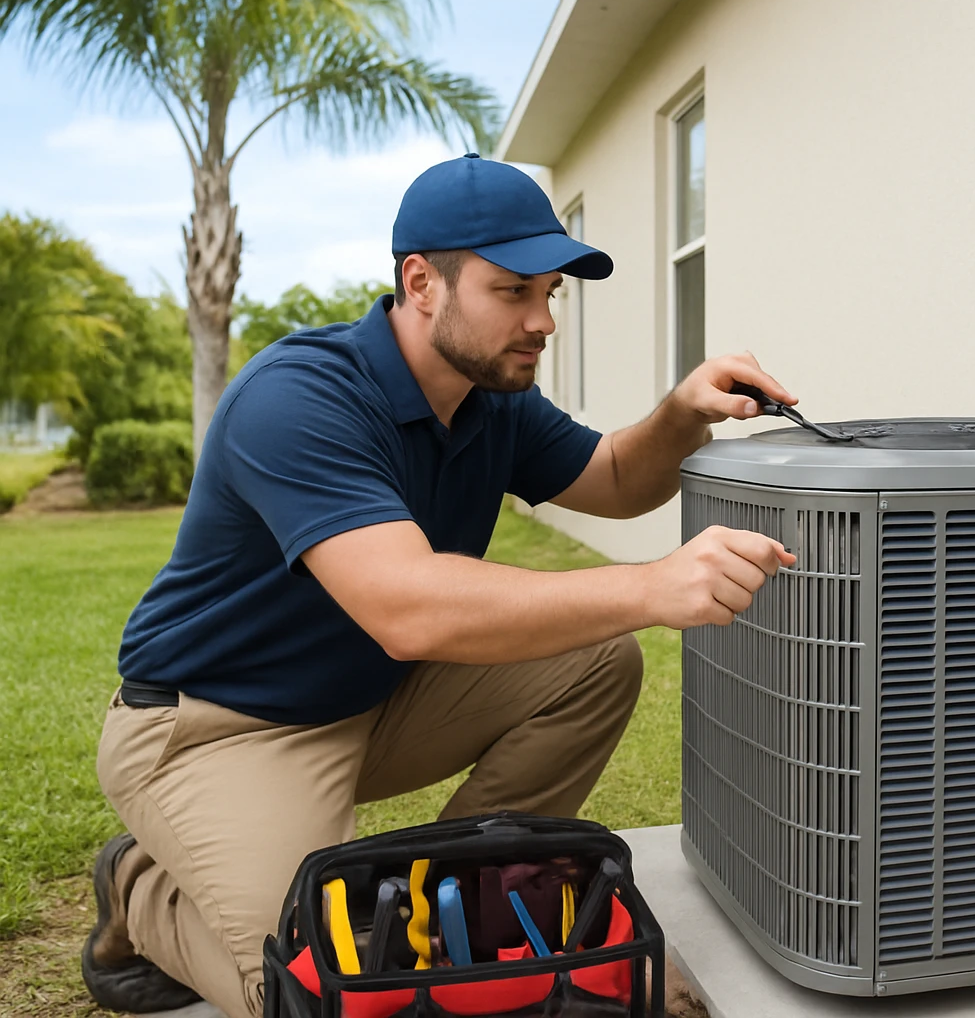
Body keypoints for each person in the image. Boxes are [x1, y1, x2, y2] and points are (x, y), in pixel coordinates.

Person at [84, 152, 796, 1018]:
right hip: (216, 726)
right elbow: (407, 610)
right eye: (513, 292)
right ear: (422, 282)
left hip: (370, 702)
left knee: (595, 661)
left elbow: (613, 476)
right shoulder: (301, 397)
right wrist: (651, 587)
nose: (543, 320)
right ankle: (137, 886)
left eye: (552, 294)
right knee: (315, 989)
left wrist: (681, 414)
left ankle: (449, 899)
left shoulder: (490, 396)